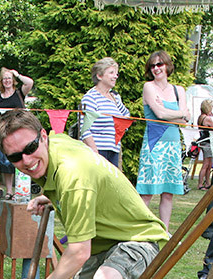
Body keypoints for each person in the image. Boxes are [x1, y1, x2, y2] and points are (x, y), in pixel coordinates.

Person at [0, 110, 174, 279]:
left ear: (43, 136)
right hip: (99, 243)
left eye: (31, 147)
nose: (26, 160)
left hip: (136, 237)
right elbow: (76, 186)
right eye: (15, 156)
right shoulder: (57, 145)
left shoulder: (74, 176)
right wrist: (53, 198)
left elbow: (78, 253)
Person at [135, 50, 189, 230]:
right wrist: (179, 114)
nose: (156, 68)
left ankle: (164, 231)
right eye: (153, 65)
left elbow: (184, 121)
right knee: (148, 192)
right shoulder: (148, 87)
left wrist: (173, 114)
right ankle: (141, 228)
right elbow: (159, 114)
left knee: (168, 193)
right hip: (154, 143)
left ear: (167, 65)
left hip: (173, 145)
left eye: (160, 64)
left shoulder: (178, 90)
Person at [80, 57, 130, 168]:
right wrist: (95, 153)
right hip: (97, 151)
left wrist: (120, 129)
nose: (115, 76)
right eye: (111, 73)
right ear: (99, 76)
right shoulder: (90, 97)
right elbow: (84, 129)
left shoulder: (115, 98)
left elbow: (126, 116)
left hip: (114, 150)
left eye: (116, 73)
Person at [0, 67, 34, 195]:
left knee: (22, 159)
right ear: (1, 81)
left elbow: (29, 83)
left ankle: (22, 189)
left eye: (9, 78)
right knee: (6, 162)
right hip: (5, 133)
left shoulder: (19, 93)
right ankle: (9, 191)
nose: (7, 81)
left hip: (21, 132)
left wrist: (17, 74)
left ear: (13, 80)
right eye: (4, 78)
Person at [196, 99, 213, 190]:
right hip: (207, 142)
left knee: (209, 163)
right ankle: (201, 184)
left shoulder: (201, 117)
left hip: (204, 142)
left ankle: (207, 182)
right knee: (206, 164)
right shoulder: (207, 119)